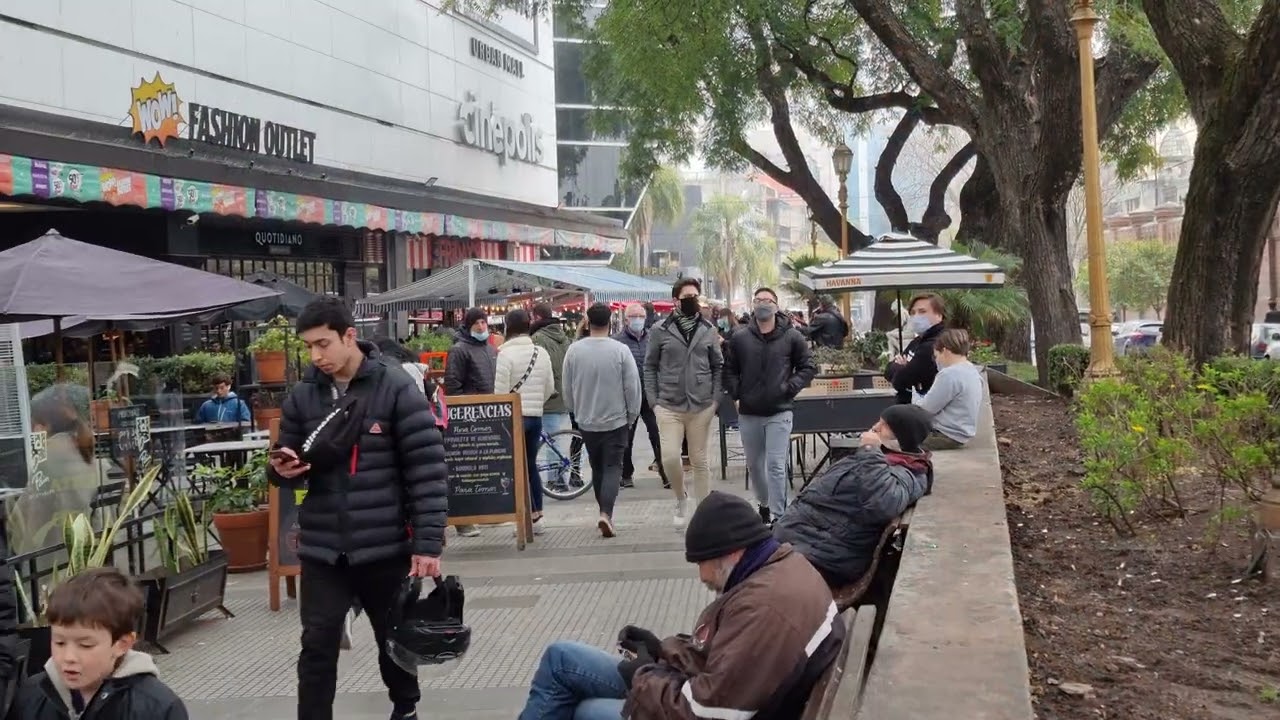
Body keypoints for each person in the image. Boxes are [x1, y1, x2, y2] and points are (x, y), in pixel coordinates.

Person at [267, 298, 447, 720]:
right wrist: (282, 470)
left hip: (384, 545)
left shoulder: (395, 387)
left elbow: (427, 469)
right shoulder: (304, 395)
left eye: (324, 344)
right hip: (324, 548)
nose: (316, 356)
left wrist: (428, 544)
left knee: (393, 640)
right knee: (317, 642)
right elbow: (284, 467)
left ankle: (405, 709)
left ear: (350, 336)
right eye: (309, 347)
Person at [515, 491, 843, 720]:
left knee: (582, 711)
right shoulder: (776, 568)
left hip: (699, 706)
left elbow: (708, 711)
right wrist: (661, 650)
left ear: (731, 553)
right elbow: (727, 659)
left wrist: (642, 675)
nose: (701, 575)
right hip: (697, 688)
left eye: (701, 562)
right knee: (561, 658)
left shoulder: (766, 607)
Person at [774, 405, 933, 588]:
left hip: (822, 556)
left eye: (885, 425)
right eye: (879, 421)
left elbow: (883, 504)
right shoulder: (883, 459)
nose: (875, 427)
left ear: (902, 437)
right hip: (798, 541)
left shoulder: (908, 472)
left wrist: (869, 449)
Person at [9, 567, 188, 719]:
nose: (68, 657)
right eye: (59, 642)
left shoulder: (157, 707)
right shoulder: (32, 695)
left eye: (85, 645)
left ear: (122, 644)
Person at [723, 287, 817, 523]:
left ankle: (779, 515)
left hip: (779, 411)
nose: (763, 304)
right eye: (759, 300)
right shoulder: (740, 336)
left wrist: (790, 387)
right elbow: (730, 369)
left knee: (775, 465)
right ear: (753, 305)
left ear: (776, 305)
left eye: (768, 300)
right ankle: (764, 505)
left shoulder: (792, 336)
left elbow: (808, 366)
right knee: (755, 466)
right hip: (749, 411)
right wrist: (736, 394)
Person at [645, 278, 723, 527]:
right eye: (687, 296)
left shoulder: (708, 329)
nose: (692, 300)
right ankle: (681, 497)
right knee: (669, 457)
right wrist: (653, 401)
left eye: (695, 296)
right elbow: (650, 366)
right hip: (669, 403)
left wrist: (715, 400)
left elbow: (717, 365)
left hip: (701, 404)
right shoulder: (660, 329)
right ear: (675, 300)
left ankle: (703, 516)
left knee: (700, 461)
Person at [562, 303, 641, 537]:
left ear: (588, 321)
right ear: (610, 322)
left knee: (597, 466)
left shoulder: (574, 351)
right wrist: (632, 415)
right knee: (612, 467)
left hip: (587, 420)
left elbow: (567, 387)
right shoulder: (620, 350)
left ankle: (603, 511)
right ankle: (606, 513)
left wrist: (574, 411)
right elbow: (632, 387)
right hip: (616, 420)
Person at [496, 309, 557, 535]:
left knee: (515, 468)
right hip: (535, 415)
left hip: (513, 418)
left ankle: (524, 519)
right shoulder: (540, 352)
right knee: (530, 465)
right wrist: (536, 403)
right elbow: (549, 387)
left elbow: (500, 393)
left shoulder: (504, 354)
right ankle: (537, 515)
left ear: (507, 327)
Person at [442, 307, 498, 538]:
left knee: (485, 469)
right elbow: (452, 383)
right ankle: (463, 521)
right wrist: (462, 411)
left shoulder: (489, 348)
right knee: (466, 472)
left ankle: (485, 514)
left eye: (483, 322)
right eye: (476, 323)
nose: (481, 326)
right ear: (468, 325)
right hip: (469, 419)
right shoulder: (459, 350)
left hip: (489, 415)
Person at [612, 303, 667, 490]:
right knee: (626, 437)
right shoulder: (617, 341)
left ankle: (666, 472)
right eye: (633, 316)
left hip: (651, 395)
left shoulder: (653, 338)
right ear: (626, 319)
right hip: (627, 397)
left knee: (658, 435)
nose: (637, 320)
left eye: (640, 316)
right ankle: (626, 474)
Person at [913, 328, 984, 450]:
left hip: (943, 435)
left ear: (945, 351)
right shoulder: (972, 370)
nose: (936, 361)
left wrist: (914, 395)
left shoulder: (949, 374)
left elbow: (925, 409)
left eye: (936, 356)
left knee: (896, 442)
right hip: (961, 434)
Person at [530, 303, 573, 488]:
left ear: (537, 318)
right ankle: (558, 477)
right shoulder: (563, 338)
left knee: (551, 440)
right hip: (562, 395)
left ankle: (557, 479)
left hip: (547, 396)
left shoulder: (538, 338)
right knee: (554, 438)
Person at [885, 293, 946, 404]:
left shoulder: (936, 344)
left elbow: (900, 381)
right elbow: (888, 370)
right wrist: (903, 367)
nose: (916, 317)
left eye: (922, 312)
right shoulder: (917, 341)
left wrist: (903, 367)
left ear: (939, 315)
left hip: (920, 411)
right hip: (907, 406)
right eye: (913, 313)